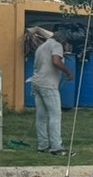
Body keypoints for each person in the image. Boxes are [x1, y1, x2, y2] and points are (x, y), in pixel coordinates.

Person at [29, 27, 73, 155]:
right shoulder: (57, 45)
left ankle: (42, 146)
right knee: (55, 115)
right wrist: (68, 72)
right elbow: (56, 61)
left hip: (37, 82)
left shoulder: (41, 47)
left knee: (41, 116)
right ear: (62, 40)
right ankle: (56, 147)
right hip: (49, 85)